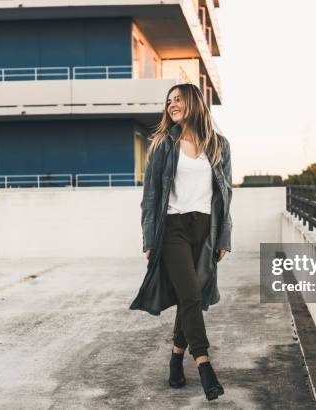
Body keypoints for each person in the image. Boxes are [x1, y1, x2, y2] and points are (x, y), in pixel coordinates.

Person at [129, 83, 233, 401]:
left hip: (205, 229)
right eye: (169, 100)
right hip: (173, 229)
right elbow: (151, 196)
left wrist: (224, 236)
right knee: (189, 294)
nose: (172, 104)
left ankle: (176, 356)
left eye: (178, 99)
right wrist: (149, 239)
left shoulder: (219, 145)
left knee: (193, 298)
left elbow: (225, 195)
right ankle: (204, 365)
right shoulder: (163, 144)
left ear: (193, 103)